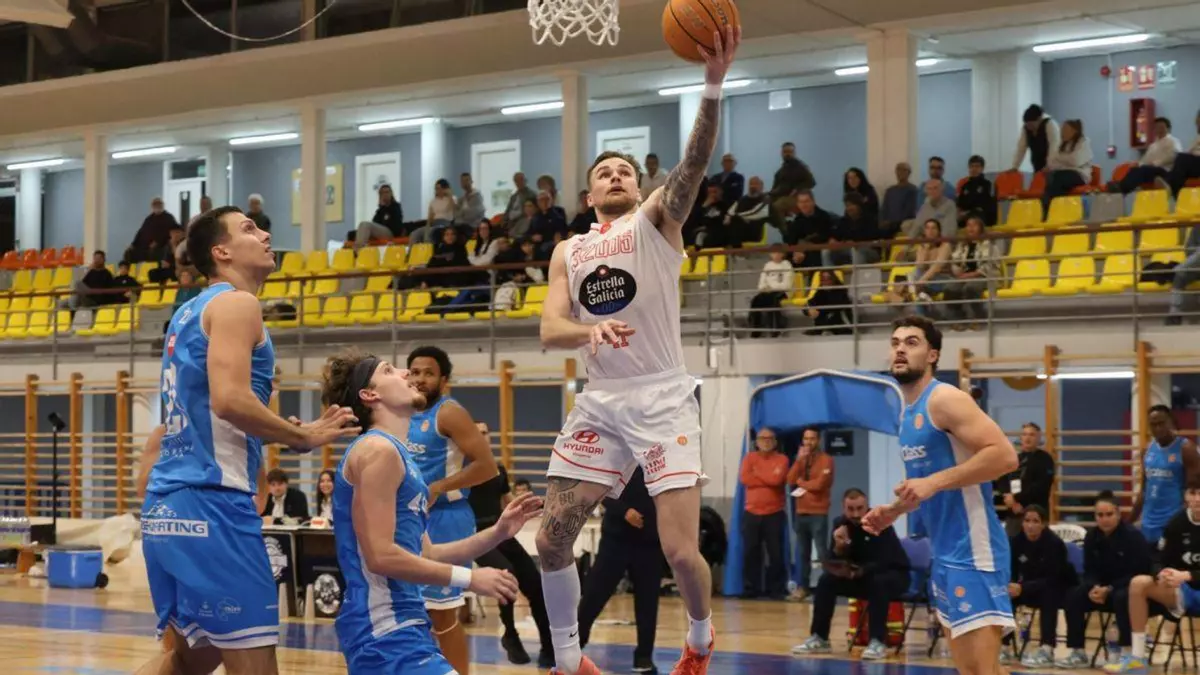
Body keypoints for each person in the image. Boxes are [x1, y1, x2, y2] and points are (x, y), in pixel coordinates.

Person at [535, 25, 740, 675]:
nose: (616, 175)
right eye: (604, 172)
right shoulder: (569, 250)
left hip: (662, 395)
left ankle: (700, 638)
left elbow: (693, 165)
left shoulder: (655, 220)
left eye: (624, 169)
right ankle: (568, 658)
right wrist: (587, 331)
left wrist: (712, 84)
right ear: (589, 195)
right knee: (550, 540)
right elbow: (550, 329)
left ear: (637, 184)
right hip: (601, 400)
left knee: (678, 550)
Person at [136, 206, 359, 675]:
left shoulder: (188, 312)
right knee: (255, 665)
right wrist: (302, 436)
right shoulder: (238, 304)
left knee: (188, 662)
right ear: (221, 252)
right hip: (213, 505)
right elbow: (229, 400)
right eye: (249, 229)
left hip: (168, 507)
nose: (265, 234)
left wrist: (272, 424)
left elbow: (215, 408)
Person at [318, 350, 542, 675]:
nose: (405, 373)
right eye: (389, 370)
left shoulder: (398, 455)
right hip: (383, 629)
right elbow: (380, 556)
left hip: (403, 623)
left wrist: (498, 532)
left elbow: (430, 553)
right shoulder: (378, 451)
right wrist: (470, 578)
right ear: (370, 395)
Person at [862, 315, 1019, 675]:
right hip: (945, 553)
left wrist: (933, 482)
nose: (900, 349)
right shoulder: (907, 414)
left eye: (911, 342)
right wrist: (894, 510)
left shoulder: (946, 399)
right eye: (895, 342)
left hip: (975, 551)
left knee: (981, 671)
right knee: (974, 671)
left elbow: (1005, 456)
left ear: (932, 355)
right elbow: (923, 485)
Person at [405, 345, 499, 675]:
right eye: (415, 372)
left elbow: (487, 466)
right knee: (411, 610)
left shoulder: (449, 413)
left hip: (447, 518)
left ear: (444, 380)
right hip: (411, 520)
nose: (420, 379)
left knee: (442, 614)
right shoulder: (403, 412)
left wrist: (438, 487)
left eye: (428, 373)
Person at [467, 421, 554, 668]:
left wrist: (532, 506)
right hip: (477, 536)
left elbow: (508, 501)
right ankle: (510, 634)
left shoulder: (498, 469)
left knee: (535, 585)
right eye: (477, 433)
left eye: (486, 433)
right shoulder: (461, 471)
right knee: (508, 574)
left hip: (501, 532)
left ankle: (548, 648)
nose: (482, 437)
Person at [793, 488, 910, 660]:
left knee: (879, 582)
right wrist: (840, 547)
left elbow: (886, 560)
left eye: (859, 508)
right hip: (860, 576)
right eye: (850, 509)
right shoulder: (840, 524)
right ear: (844, 508)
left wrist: (861, 570)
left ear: (867, 507)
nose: (855, 514)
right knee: (826, 581)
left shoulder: (880, 522)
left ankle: (877, 642)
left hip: (893, 575)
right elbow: (834, 559)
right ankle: (820, 637)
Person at [1107, 475, 1200, 674]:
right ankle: (1137, 657)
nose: (1198, 499)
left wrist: (1188, 575)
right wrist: (1161, 573)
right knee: (1138, 583)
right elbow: (1158, 556)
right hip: (1182, 590)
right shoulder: (1177, 521)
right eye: (1193, 493)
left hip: (1191, 582)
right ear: (1185, 496)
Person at [579, 468, 666, 675]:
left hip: (650, 541)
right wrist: (623, 511)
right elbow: (600, 488)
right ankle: (574, 645)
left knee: (648, 601)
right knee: (594, 594)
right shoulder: (617, 455)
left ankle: (644, 656)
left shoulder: (664, 458)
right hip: (616, 538)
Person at [1057, 491, 1152, 668]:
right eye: (1100, 515)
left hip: (1127, 588)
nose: (1104, 519)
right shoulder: (1092, 537)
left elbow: (1140, 572)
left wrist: (1110, 588)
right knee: (1073, 595)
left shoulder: (1133, 537)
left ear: (1118, 514)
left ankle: (1126, 652)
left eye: (1109, 514)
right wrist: (1093, 587)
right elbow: (1089, 570)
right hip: (1101, 590)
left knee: (1122, 597)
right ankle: (1078, 652)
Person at [1002, 505, 1075, 667]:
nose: (1030, 525)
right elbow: (1012, 571)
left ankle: (1047, 648)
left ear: (1044, 524)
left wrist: (1023, 587)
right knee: (1005, 594)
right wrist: (1012, 586)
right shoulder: (1016, 542)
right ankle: (1004, 646)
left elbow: (1053, 578)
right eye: (1027, 520)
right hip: (1028, 587)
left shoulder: (1054, 544)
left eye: (1035, 521)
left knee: (1049, 595)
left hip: (1057, 588)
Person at [1132, 404, 1199, 547]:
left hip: (1172, 525)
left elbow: (1194, 492)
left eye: (1161, 423)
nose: (1158, 428)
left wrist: (1183, 523)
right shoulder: (1147, 451)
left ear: (1171, 422)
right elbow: (1144, 491)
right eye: (1153, 425)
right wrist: (1127, 522)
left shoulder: (1186, 449)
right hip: (1148, 525)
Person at [787, 426, 833, 599]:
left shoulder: (826, 460)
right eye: (806, 439)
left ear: (818, 440)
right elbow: (790, 479)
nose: (808, 442)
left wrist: (801, 483)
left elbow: (819, 485)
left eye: (812, 439)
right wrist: (799, 460)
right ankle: (803, 588)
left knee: (822, 552)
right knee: (802, 553)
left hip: (818, 512)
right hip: (801, 512)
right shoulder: (801, 459)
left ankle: (830, 586)